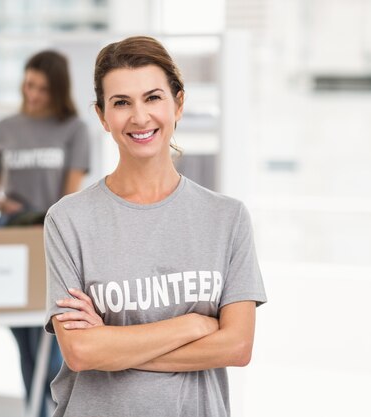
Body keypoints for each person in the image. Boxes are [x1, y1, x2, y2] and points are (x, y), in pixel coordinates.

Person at [44, 36, 267, 417]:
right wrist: (194, 325)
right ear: (101, 116)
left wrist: (112, 346)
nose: (140, 117)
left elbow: (236, 347)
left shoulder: (227, 218)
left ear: (178, 104)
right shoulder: (68, 221)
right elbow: (81, 352)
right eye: (121, 103)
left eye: (153, 97)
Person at [0, 50, 90, 416]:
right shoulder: (4, 128)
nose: (32, 95)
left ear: (58, 90)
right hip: (12, 239)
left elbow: (71, 195)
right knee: (24, 343)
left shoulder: (74, 129)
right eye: (29, 85)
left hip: (53, 240)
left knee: (54, 344)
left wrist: (42, 219)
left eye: (42, 89)